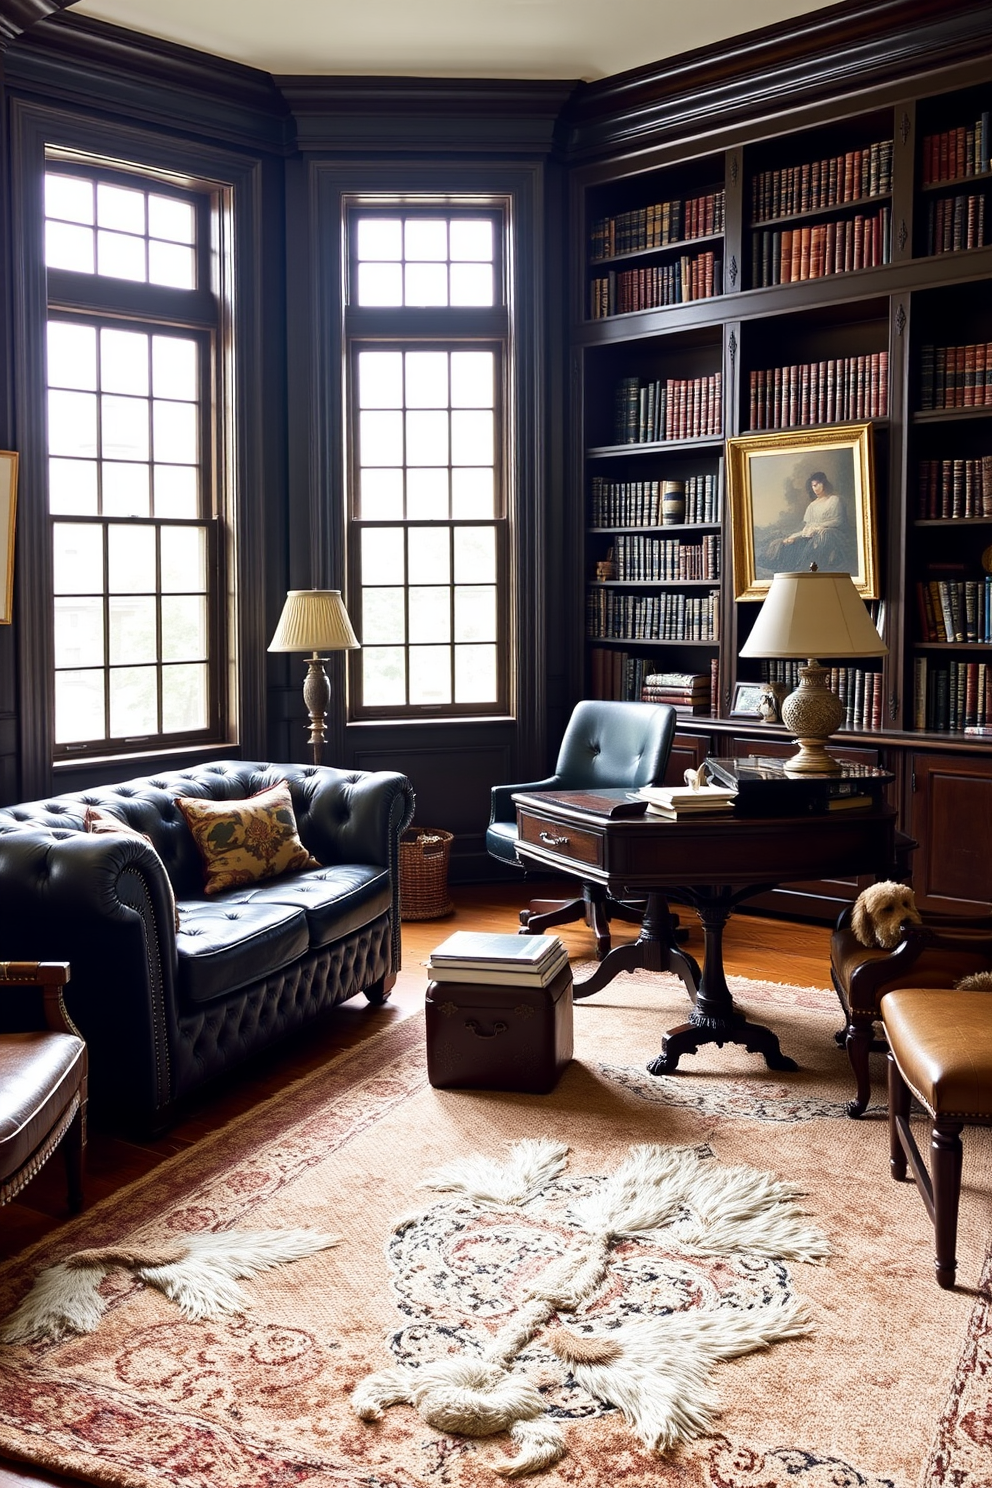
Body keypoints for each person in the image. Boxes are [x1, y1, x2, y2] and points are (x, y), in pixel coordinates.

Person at [762, 471, 855, 573]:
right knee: (790, 542)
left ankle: (814, 567)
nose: (815, 488)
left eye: (817, 484)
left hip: (831, 533)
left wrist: (818, 528)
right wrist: (795, 536)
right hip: (812, 533)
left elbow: (838, 521)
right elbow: (807, 527)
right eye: (813, 486)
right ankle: (789, 567)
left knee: (822, 534)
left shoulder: (834, 500)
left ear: (824, 483)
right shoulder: (812, 506)